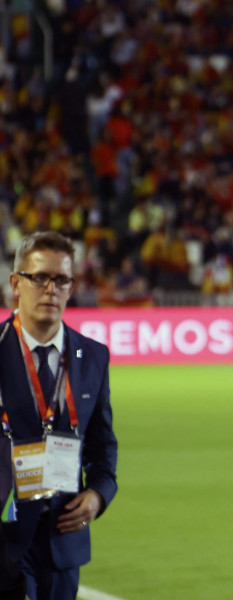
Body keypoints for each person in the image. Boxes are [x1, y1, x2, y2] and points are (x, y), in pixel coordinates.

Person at [0, 231, 118, 600]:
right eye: (40, 277)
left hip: (64, 540)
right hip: (5, 542)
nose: (50, 288)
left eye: (61, 279)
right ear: (16, 283)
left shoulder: (94, 357)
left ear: (71, 287)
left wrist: (98, 495)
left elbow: (103, 447)